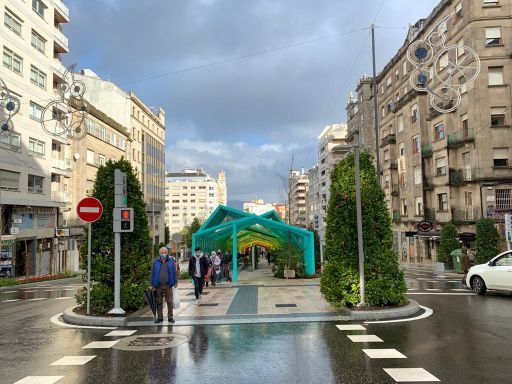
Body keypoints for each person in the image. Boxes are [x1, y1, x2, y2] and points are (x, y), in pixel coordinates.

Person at [150, 247, 178, 324]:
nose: (163, 254)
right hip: (158, 285)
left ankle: (170, 317)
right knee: (159, 302)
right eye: (162, 253)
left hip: (168, 285)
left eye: (165, 252)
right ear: (159, 253)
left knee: (169, 302)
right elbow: (152, 273)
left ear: (167, 253)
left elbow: (174, 272)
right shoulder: (156, 261)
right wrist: (151, 284)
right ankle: (160, 317)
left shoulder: (171, 261)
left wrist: (175, 282)